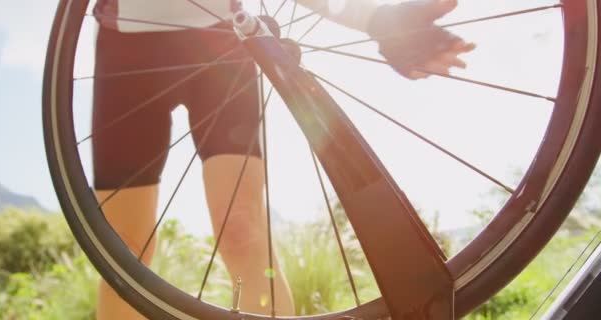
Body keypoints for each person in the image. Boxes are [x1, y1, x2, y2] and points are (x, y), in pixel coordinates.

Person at [91, 0, 474, 319]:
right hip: (125, 50)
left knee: (242, 230)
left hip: (221, 43)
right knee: (123, 248)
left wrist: (375, 19)